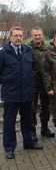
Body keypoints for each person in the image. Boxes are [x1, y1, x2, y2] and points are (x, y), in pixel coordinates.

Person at [1, 26, 43, 159]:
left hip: (26, 93)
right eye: (16, 36)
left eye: (20, 36)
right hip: (11, 94)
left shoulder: (28, 51)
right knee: (9, 122)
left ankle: (29, 142)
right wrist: (7, 82)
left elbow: (34, 69)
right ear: (10, 37)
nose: (18, 38)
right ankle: (9, 148)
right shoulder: (3, 53)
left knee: (27, 120)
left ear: (23, 37)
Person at [28, 26, 55, 141]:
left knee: (45, 107)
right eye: (35, 35)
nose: (38, 37)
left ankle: (44, 128)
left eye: (39, 35)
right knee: (32, 108)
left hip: (46, 83)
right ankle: (32, 131)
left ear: (42, 35)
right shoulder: (27, 48)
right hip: (32, 82)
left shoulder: (49, 48)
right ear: (32, 36)